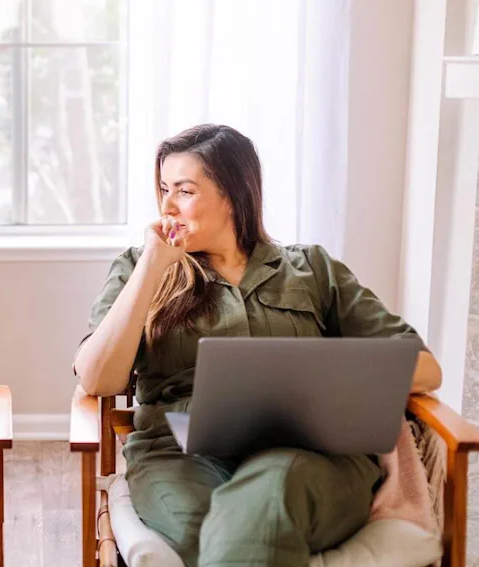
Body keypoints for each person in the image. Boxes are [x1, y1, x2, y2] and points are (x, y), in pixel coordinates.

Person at [73, 124, 442, 567]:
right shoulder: (138, 267)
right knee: (205, 529)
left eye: (185, 191)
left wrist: (324, 377)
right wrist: (153, 265)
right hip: (180, 454)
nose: (167, 206)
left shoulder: (311, 268)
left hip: (308, 453)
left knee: (270, 499)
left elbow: (425, 368)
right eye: (164, 189)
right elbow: (97, 379)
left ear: (233, 195)